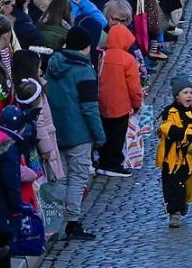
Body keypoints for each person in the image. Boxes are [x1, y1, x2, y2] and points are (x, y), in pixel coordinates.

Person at [44, 26, 104, 241]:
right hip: (79, 133)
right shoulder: (84, 71)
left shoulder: (52, 65)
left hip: (54, 130)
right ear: (86, 47)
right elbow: (90, 107)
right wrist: (99, 136)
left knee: (59, 176)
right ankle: (72, 222)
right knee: (78, 177)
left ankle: (55, 220)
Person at [156, 77, 192, 229]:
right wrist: (188, 133)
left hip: (190, 157)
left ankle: (183, 203)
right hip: (173, 157)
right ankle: (174, 212)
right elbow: (167, 128)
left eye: (191, 93)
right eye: (185, 92)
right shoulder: (170, 112)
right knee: (173, 185)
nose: (189, 96)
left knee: (188, 185)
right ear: (177, 96)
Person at [96, 22, 143, 177]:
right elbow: (134, 87)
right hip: (121, 104)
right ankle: (113, 164)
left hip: (103, 102)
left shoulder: (103, 56)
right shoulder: (127, 59)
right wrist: (137, 104)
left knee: (106, 133)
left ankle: (103, 161)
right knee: (117, 136)